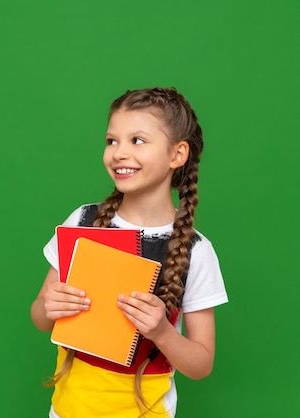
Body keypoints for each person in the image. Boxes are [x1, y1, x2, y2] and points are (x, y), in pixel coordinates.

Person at [30, 87, 228, 418]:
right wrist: (50, 308)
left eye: (137, 140)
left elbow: (201, 364)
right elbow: (39, 317)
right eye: (112, 141)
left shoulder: (197, 251)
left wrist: (161, 331)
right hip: (67, 410)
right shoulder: (83, 221)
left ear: (177, 155)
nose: (119, 152)